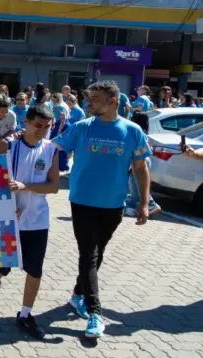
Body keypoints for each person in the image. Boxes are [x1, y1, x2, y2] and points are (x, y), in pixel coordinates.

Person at [52, 80, 151, 339]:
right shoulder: (81, 127)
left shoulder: (132, 131)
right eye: (89, 98)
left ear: (113, 101)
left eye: (95, 99)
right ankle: (95, 313)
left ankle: (78, 294)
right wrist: (20, 140)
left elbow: (141, 168)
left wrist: (144, 203)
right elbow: (51, 146)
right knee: (88, 254)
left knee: (97, 254)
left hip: (113, 204)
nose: (89, 102)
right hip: (82, 201)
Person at [0, 104, 60, 339]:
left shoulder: (51, 149)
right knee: (0, 267)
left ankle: (25, 315)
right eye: (38, 125)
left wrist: (26, 187)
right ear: (26, 122)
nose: (42, 131)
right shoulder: (8, 145)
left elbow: (54, 186)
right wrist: (5, 205)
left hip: (37, 221)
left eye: (47, 127)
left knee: (34, 269)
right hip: (9, 219)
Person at [125, 112, 162, 217]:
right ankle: (132, 208)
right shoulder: (142, 133)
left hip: (140, 161)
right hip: (141, 160)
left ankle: (152, 205)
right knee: (135, 189)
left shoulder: (138, 133)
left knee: (138, 186)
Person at [50, 93, 71, 172]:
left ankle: (62, 165)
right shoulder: (63, 105)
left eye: (53, 99)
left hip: (61, 125)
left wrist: (59, 131)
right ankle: (61, 165)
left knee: (58, 145)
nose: (52, 101)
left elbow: (63, 119)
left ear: (57, 99)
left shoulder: (60, 107)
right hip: (60, 124)